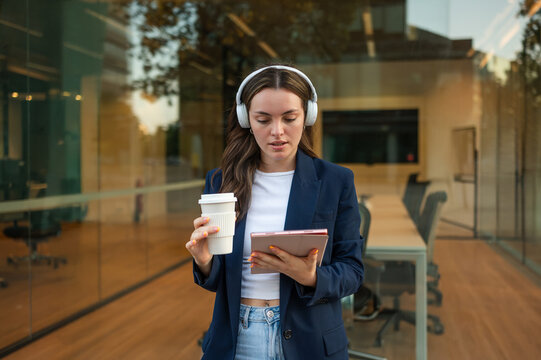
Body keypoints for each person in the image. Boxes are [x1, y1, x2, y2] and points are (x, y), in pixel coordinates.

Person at [186, 64, 364, 360]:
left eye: (290, 118)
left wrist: (311, 277)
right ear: (246, 120)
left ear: (307, 116)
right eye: (263, 119)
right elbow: (219, 280)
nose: (277, 131)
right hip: (238, 338)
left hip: (310, 340)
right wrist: (204, 261)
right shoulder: (221, 181)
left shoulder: (336, 181)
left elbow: (354, 271)